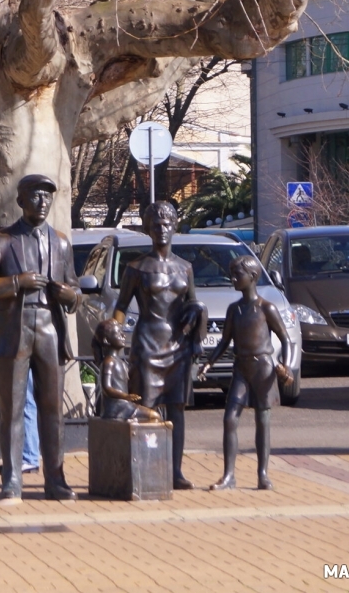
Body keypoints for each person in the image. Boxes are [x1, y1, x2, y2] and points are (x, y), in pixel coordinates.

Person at [0, 174, 82, 505]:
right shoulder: (2, 240)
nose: (42, 202)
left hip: (49, 328)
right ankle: (12, 479)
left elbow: (76, 291)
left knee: (52, 410)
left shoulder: (60, 242)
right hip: (15, 330)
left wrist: (69, 295)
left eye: (47, 196)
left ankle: (56, 479)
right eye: (35, 196)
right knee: (13, 410)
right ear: (20, 201)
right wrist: (16, 281)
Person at [111, 200, 206, 490]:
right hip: (147, 345)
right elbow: (121, 306)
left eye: (167, 224)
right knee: (146, 409)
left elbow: (191, 302)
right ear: (147, 230)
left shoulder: (185, 268)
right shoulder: (136, 268)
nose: (162, 229)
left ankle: (175, 471)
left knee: (176, 410)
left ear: (175, 227)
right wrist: (113, 330)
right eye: (156, 225)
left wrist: (197, 308)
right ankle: (147, 467)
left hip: (177, 346)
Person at [198, 256, 293, 491]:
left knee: (263, 420)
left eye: (237, 275)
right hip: (241, 368)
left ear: (252, 277)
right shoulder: (234, 309)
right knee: (230, 419)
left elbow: (285, 338)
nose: (232, 279)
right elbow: (225, 341)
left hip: (263, 368)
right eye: (231, 273)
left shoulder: (266, 307)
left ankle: (263, 474)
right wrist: (209, 362)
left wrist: (286, 365)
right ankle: (229, 475)